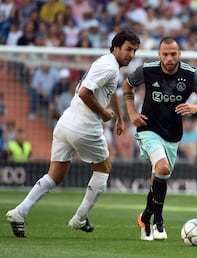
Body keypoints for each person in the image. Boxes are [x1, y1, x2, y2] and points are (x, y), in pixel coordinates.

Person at [5, 29, 140, 237]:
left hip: (66, 123)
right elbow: (85, 93)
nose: (131, 55)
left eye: (134, 51)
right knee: (104, 169)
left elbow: (108, 91)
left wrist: (120, 118)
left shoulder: (106, 63)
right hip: (85, 127)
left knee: (55, 174)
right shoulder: (109, 67)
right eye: (128, 49)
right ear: (116, 47)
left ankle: (19, 212)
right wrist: (104, 113)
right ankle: (79, 218)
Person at [122, 36, 197, 241]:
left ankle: (146, 217)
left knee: (159, 176)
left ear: (179, 54)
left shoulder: (190, 75)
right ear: (159, 55)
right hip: (148, 128)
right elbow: (127, 86)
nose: (169, 58)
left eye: (173, 54)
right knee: (162, 168)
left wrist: (195, 107)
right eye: (165, 54)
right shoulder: (147, 70)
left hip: (173, 134)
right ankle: (159, 220)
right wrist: (131, 113)